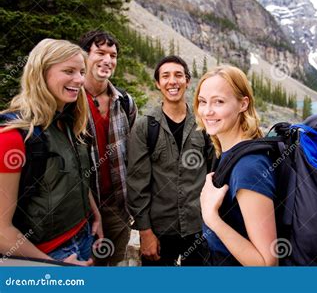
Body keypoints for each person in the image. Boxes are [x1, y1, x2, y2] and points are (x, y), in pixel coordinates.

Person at [0, 38, 102, 266]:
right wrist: (55, 267)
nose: (79, 80)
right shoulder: (11, 137)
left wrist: (95, 215)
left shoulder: (68, 123)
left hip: (83, 235)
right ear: (40, 73)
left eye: (82, 72)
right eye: (69, 71)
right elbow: (1, 231)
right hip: (45, 254)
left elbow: (75, 173)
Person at [127, 55, 211, 266]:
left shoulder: (205, 125)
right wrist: (145, 232)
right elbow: (137, 184)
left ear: (187, 81)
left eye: (178, 75)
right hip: (159, 230)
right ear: (157, 83)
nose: (172, 81)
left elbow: (214, 175)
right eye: (165, 76)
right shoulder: (144, 127)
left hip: (199, 228)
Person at [194, 65, 278, 266]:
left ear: (243, 104)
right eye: (202, 102)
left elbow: (267, 263)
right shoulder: (227, 153)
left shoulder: (249, 167)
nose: (207, 111)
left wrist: (211, 217)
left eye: (219, 102)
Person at [79, 30, 137, 266]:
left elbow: (134, 154)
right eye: (100, 53)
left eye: (112, 55)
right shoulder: (70, 101)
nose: (107, 60)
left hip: (117, 209)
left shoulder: (125, 102)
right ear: (84, 56)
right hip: (81, 213)